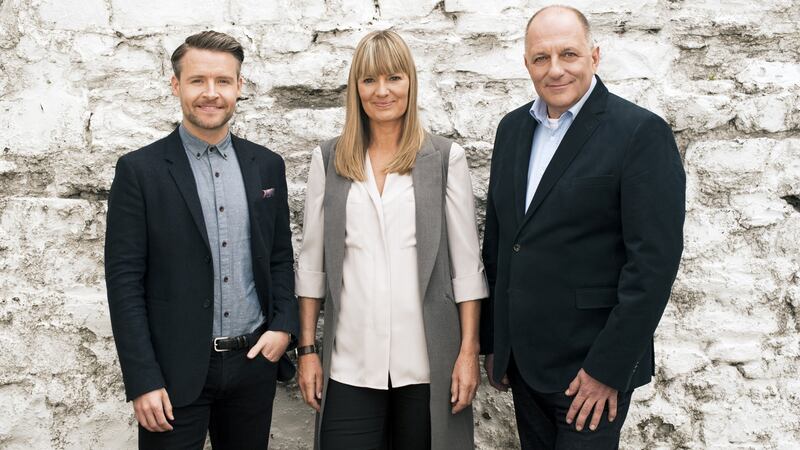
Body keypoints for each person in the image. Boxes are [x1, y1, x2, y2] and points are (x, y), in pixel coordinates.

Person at [480, 6, 686, 449]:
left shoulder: (639, 133)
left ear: (594, 56)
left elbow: (652, 266)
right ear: (527, 63)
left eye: (568, 54)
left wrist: (608, 370)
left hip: (589, 372)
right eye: (541, 58)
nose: (555, 69)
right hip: (525, 366)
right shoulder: (512, 130)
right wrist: (498, 341)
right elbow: (500, 244)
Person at [294, 30, 488, 450]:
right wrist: (307, 350)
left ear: (410, 83)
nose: (382, 91)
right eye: (369, 80)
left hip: (426, 364)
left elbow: (467, 269)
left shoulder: (443, 158)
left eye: (394, 78)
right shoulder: (328, 160)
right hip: (350, 364)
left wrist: (468, 352)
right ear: (356, 88)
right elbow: (312, 266)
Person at [104, 30, 298, 449]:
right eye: (197, 81)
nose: (210, 93)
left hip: (252, 365)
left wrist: (283, 326)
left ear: (239, 86)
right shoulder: (139, 171)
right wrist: (143, 380)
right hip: (172, 377)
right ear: (176, 85)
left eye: (223, 81)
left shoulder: (267, 165)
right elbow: (124, 284)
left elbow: (280, 257)